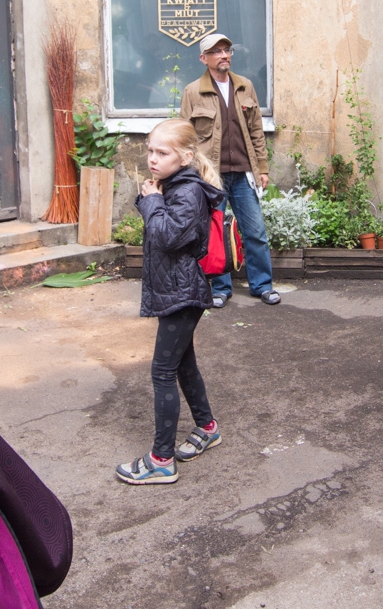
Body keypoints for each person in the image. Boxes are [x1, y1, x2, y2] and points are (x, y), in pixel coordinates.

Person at [116, 118, 228, 485]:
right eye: (150, 150)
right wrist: (154, 197)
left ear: (185, 156)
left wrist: (150, 201)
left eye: (162, 152)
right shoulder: (171, 185)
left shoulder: (187, 192)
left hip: (184, 294)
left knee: (162, 372)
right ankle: (207, 427)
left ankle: (161, 460)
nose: (152, 158)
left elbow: (165, 235)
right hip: (177, 290)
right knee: (182, 365)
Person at [180, 33, 281, 306]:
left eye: (227, 50)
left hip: (243, 173)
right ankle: (220, 289)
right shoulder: (192, 92)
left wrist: (262, 167)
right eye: (216, 52)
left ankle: (262, 285)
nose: (224, 55)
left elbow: (256, 130)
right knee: (216, 233)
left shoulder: (245, 86)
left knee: (255, 231)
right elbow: (184, 136)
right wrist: (190, 173)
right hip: (211, 176)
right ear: (204, 59)